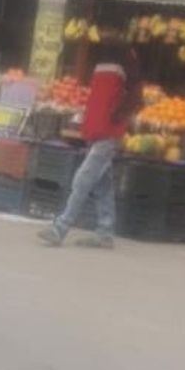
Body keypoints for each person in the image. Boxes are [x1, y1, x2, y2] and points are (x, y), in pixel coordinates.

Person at [38, 44, 141, 249]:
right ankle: (105, 232)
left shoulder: (126, 57)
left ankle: (60, 227)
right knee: (103, 184)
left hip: (108, 131)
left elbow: (135, 94)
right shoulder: (101, 58)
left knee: (83, 178)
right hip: (97, 130)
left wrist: (117, 116)